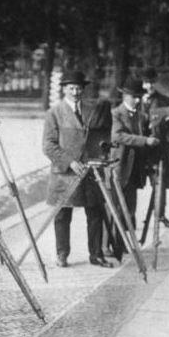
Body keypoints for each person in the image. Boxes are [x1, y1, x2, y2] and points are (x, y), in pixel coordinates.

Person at [43, 70, 113, 268]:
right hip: (65, 173)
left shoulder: (91, 110)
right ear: (64, 89)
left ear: (83, 89)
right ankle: (62, 254)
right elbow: (48, 145)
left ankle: (96, 254)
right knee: (63, 215)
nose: (75, 92)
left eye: (78, 88)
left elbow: (100, 135)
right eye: (71, 88)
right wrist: (70, 161)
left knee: (95, 212)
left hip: (90, 171)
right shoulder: (54, 113)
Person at [141, 67, 169, 228]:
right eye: (146, 82)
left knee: (159, 182)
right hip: (138, 148)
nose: (149, 86)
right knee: (129, 184)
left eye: (151, 82)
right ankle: (128, 218)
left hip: (158, 149)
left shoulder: (164, 100)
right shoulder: (135, 99)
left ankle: (160, 215)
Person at [111, 76, 160, 225]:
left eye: (140, 97)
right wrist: (144, 141)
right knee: (117, 207)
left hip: (135, 168)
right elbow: (118, 136)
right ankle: (115, 244)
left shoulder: (141, 115)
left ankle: (129, 244)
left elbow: (149, 132)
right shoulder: (116, 114)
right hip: (120, 165)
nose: (138, 101)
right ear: (125, 96)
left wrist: (153, 133)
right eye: (134, 97)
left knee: (131, 207)